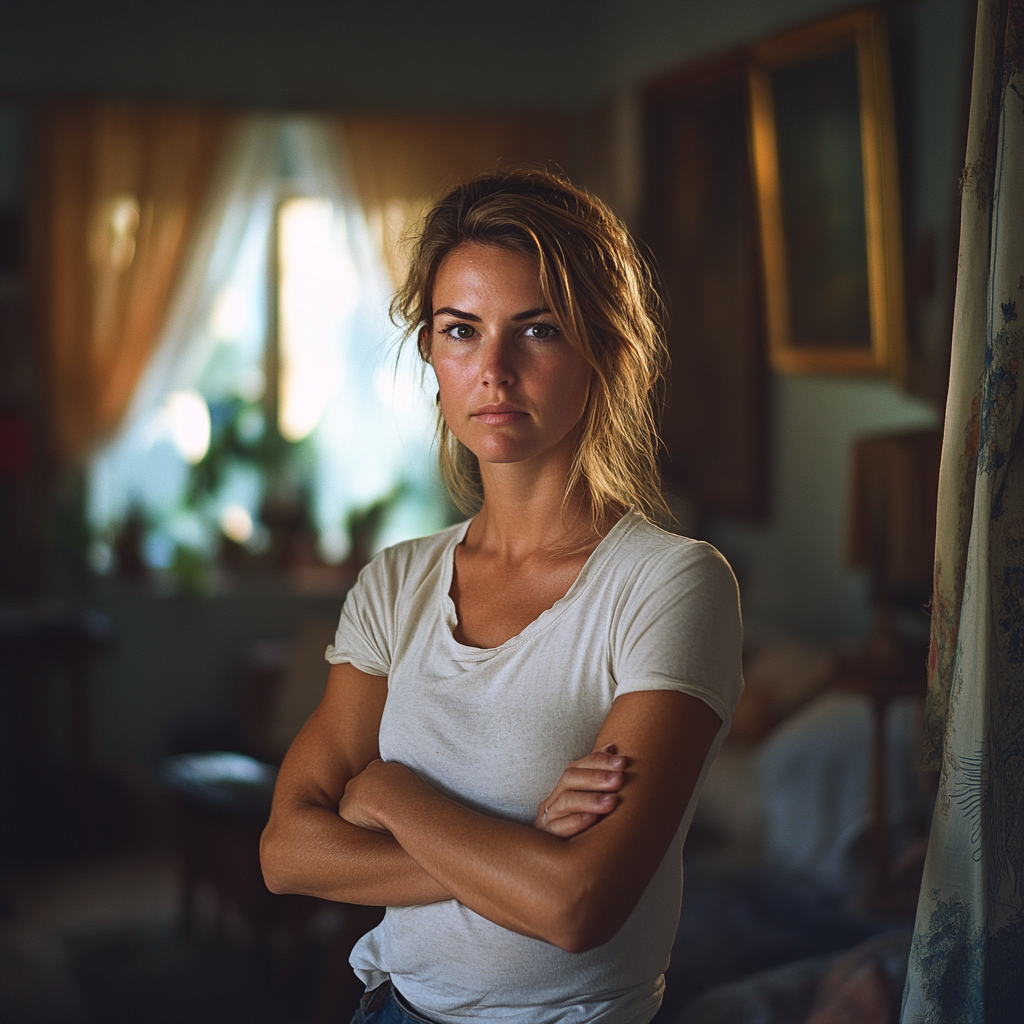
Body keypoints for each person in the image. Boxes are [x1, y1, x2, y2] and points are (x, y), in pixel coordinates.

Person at [260, 169, 744, 1024]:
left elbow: (575, 906)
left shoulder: (672, 584)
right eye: (461, 331)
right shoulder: (396, 583)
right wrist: (521, 857)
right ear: (431, 356)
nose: (493, 369)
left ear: (604, 346)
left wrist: (388, 796)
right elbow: (287, 854)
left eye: (538, 330)